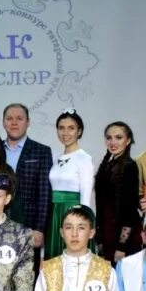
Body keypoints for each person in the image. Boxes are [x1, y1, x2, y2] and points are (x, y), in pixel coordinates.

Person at [2, 103, 53, 264]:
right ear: (3, 122)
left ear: (28, 122)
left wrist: (39, 228)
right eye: (9, 119)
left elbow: (44, 193)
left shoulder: (41, 151)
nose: (14, 123)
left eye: (19, 118)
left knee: (29, 277)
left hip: (29, 226)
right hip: (0, 225)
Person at [46, 109, 94, 259]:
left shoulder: (84, 159)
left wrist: (81, 223)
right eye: (61, 128)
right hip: (54, 214)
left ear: (79, 131)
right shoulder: (55, 157)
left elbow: (86, 198)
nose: (65, 133)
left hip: (72, 213)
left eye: (71, 128)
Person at [94, 121, 143, 264]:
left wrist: (122, 246)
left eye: (118, 137)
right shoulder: (107, 166)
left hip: (124, 235)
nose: (113, 142)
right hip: (108, 231)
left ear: (128, 141)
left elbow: (129, 208)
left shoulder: (129, 166)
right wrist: (100, 239)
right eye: (109, 138)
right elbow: (101, 206)